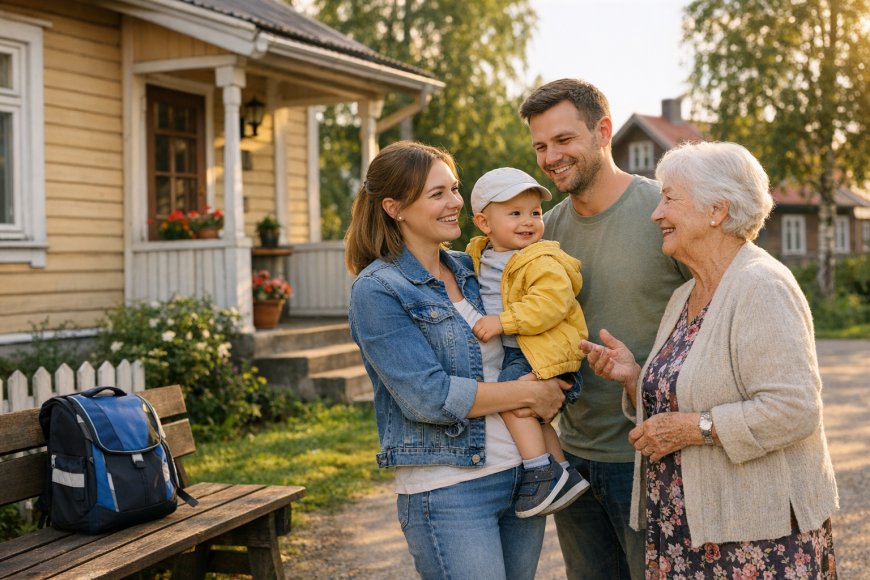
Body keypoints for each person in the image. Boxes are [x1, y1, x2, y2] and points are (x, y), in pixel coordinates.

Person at [581, 141, 839, 577]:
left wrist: (697, 428)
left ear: (717, 210)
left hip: (756, 538)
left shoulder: (762, 285)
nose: (656, 214)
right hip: (686, 532)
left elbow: (795, 409)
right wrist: (634, 378)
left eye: (669, 199)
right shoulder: (686, 293)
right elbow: (690, 394)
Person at [346, 141, 572, 579]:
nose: (454, 202)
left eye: (453, 188)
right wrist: (529, 392)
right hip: (449, 489)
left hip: (524, 477)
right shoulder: (378, 290)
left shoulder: (473, 266)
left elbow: (522, 339)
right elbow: (428, 397)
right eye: (437, 194)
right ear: (394, 207)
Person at [519, 78, 691, 578]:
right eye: (540, 146)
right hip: (573, 457)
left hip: (651, 452)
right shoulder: (543, 230)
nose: (550, 157)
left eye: (564, 140)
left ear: (603, 132)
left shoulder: (664, 211)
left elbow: (718, 316)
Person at [465, 167, 591, 518]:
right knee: (535, 419)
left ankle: (540, 470)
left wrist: (502, 321)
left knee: (510, 397)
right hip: (523, 349)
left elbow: (550, 304)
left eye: (535, 213)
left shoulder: (541, 259)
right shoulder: (481, 254)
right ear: (484, 223)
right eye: (515, 213)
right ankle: (563, 471)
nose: (529, 221)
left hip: (542, 352)